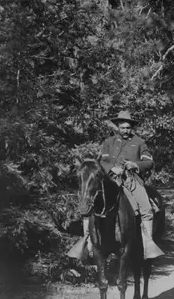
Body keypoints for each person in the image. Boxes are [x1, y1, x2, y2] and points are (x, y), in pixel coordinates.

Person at [68, 110, 164, 261]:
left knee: (146, 208)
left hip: (131, 180)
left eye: (128, 128)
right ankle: (86, 243)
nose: (125, 130)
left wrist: (135, 164)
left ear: (132, 128)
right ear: (118, 127)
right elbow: (101, 161)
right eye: (123, 127)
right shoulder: (108, 142)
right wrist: (112, 168)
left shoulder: (139, 142)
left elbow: (149, 162)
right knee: (90, 204)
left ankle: (148, 244)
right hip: (110, 179)